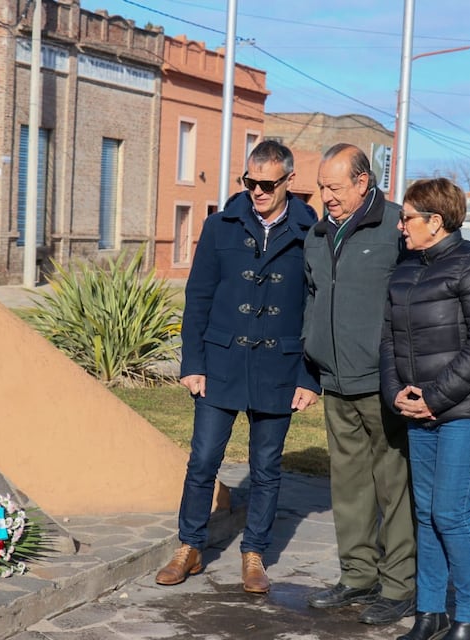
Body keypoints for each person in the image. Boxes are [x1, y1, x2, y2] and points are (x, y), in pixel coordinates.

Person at [155, 140, 320, 594]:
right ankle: (189, 547)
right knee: (203, 458)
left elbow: (316, 307)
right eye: (251, 182)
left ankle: (254, 554)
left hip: (280, 367)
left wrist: (310, 377)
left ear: (289, 181)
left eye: (268, 184)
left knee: (266, 466)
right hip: (220, 361)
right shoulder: (219, 226)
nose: (258, 191)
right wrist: (193, 363)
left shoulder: (312, 234)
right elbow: (198, 297)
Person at [380, 177, 470, 640]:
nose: (400, 226)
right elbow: (389, 339)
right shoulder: (405, 268)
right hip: (417, 410)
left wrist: (433, 398)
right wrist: (396, 392)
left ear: (435, 222)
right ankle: (429, 613)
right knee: (426, 512)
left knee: (451, 512)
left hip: (466, 412)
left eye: (408, 217)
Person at [302, 143, 416, 625]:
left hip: (382, 382)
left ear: (363, 181)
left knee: (393, 486)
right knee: (348, 486)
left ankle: (398, 586)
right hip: (336, 380)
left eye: (334, 186)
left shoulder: (395, 227)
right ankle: (356, 576)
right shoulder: (318, 233)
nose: (326, 196)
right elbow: (312, 297)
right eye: (322, 186)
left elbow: (416, 299)